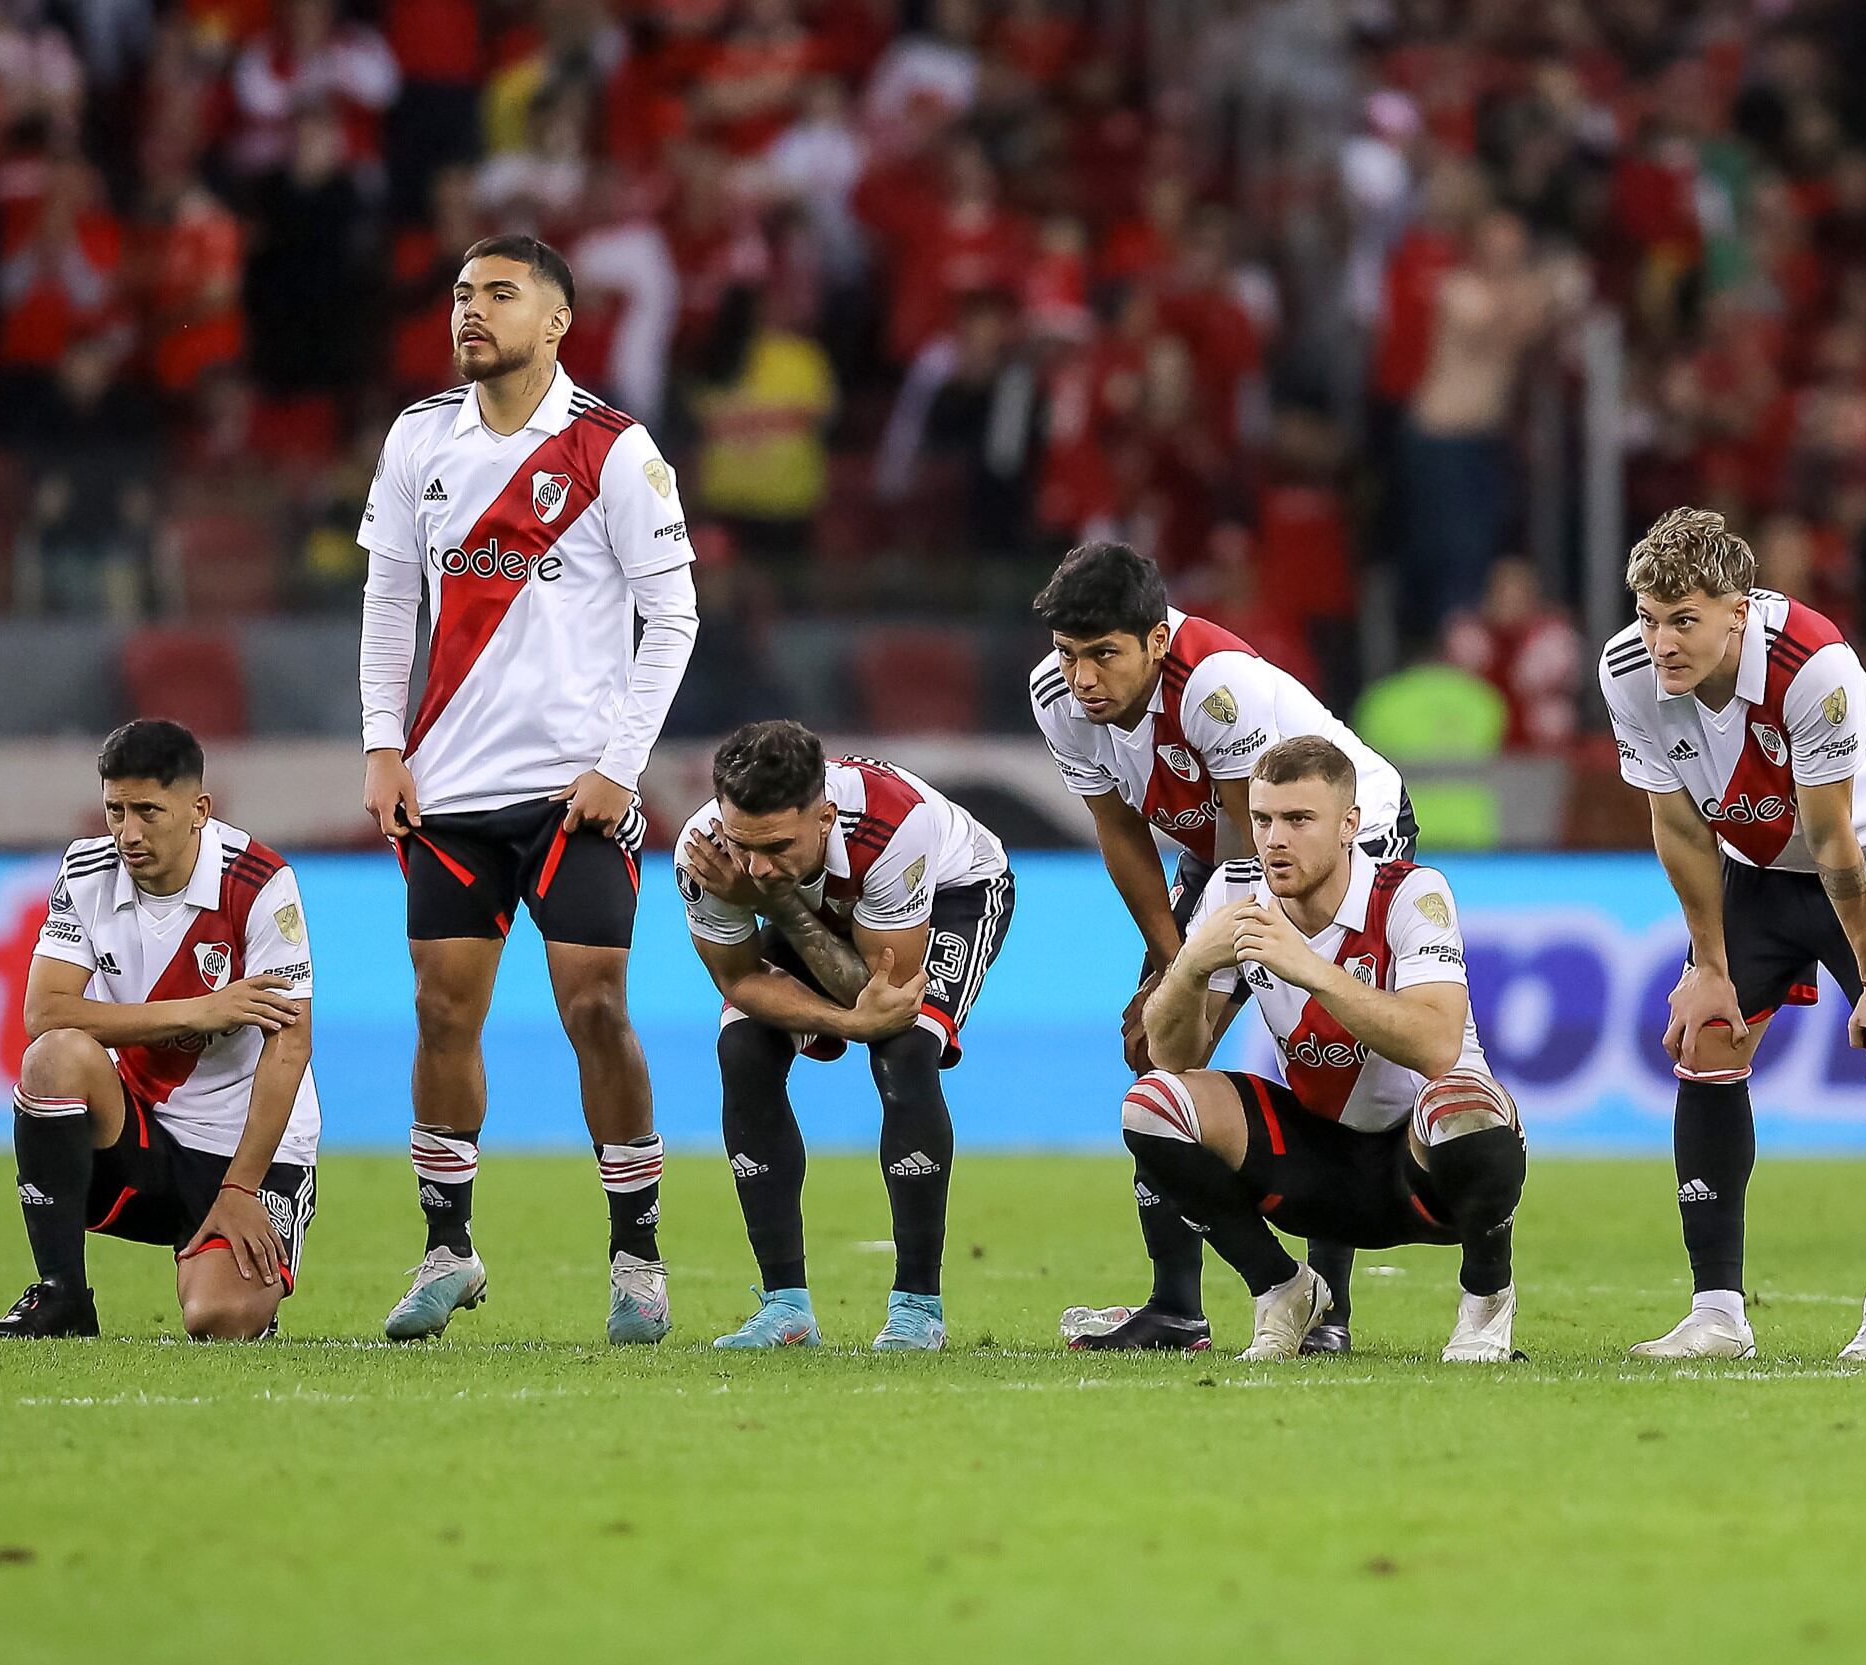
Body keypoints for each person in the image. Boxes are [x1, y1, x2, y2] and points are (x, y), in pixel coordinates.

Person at [356, 234, 701, 1345]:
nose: (471, 311)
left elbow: (674, 617)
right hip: (449, 785)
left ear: (556, 321)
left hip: (574, 793)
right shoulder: (420, 439)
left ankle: (638, 1256)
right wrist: (379, 743)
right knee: (440, 1010)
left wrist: (619, 763)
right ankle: (447, 1246)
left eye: (499, 294)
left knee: (594, 1008)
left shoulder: (612, 449)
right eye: (460, 293)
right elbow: (386, 600)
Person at [1028, 542, 1411, 1353]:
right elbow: (1120, 831)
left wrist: (1219, 969)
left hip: (1332, 829)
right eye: (1069, 656)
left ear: (1156, 642)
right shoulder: (1055, 697)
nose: (1083, 678)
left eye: (1103, 655)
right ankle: (1178, 1307)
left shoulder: (1214, 685)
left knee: (1322, 1050)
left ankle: (1328, 1314)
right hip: (1221, 848)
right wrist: (1174, 963)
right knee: (1157, 1051)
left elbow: (1263, 841)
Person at [1599, 508, 1866, 1361]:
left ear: (1738, 611)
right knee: (1707, 1036)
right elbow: (1676, 823)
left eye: (1684, 620)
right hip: (1756, 864)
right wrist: (1706, 965)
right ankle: (1717, 1312)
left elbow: (1834, 839)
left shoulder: (1811, 666)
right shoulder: (1627, 671)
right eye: (1649, 617)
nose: (1662, 641)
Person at [1127, 737, 1525, 1362]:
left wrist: (1310, 968)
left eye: (1298, 820)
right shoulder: (1237, 898)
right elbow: (1174, 1058)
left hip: (1421, 1167)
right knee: (1152, 1102)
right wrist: (1189, 969)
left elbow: (1437, 1044)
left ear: (1349, 826)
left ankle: (1485, 1303)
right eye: (1261, 820)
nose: (1274, 839)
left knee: (1466, 1105)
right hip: (1312, 1161)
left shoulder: (1411, 893)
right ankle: (1282, 1288)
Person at [676, 722, 1013, 1352]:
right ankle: (785, 1308)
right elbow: (739, 975)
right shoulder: (709, 851)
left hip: (951, 894)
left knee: (906, 1051)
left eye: (776, 845)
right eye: (744, 844)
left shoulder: (893, 828)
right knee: (742, 1050)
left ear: (825, 816)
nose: (754, 865)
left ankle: (919, 1307)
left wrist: (777, 908)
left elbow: (879, 992)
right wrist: (842, 1021)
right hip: (813, 911)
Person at [0, 721, 319, 1341]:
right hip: (140, 1134)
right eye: (115, 810)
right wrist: (197, 1010)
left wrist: (242, 1185)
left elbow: (290, 1044)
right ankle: (62, 1298)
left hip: (243, 1152)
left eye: (148, 812)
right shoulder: (85, 871)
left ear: (199, 810)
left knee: (219, 1320)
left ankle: (227, 1259)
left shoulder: (260, 884)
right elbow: (43, 1013)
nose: (127, 834)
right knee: (52, 1059)